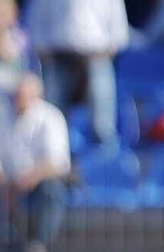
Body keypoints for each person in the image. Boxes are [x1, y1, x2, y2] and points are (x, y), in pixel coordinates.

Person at [0, 74, 70, 252]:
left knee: (52, 191)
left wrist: (28, 179)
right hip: (5, 182)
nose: (18, 99)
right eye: (16, 94)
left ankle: (38, 245)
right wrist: (3, 181)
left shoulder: (51, 117)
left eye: (24, 95)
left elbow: (57, 162)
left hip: (38, 181)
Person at [27, 0, 128, 148]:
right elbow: (35, 24)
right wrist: (44, 53)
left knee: (102, 124)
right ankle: (55, 160)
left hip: (97, 58)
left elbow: (119, 33)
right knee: (54, 117)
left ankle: (104, 159)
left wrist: (104, 53)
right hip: (59, 59)